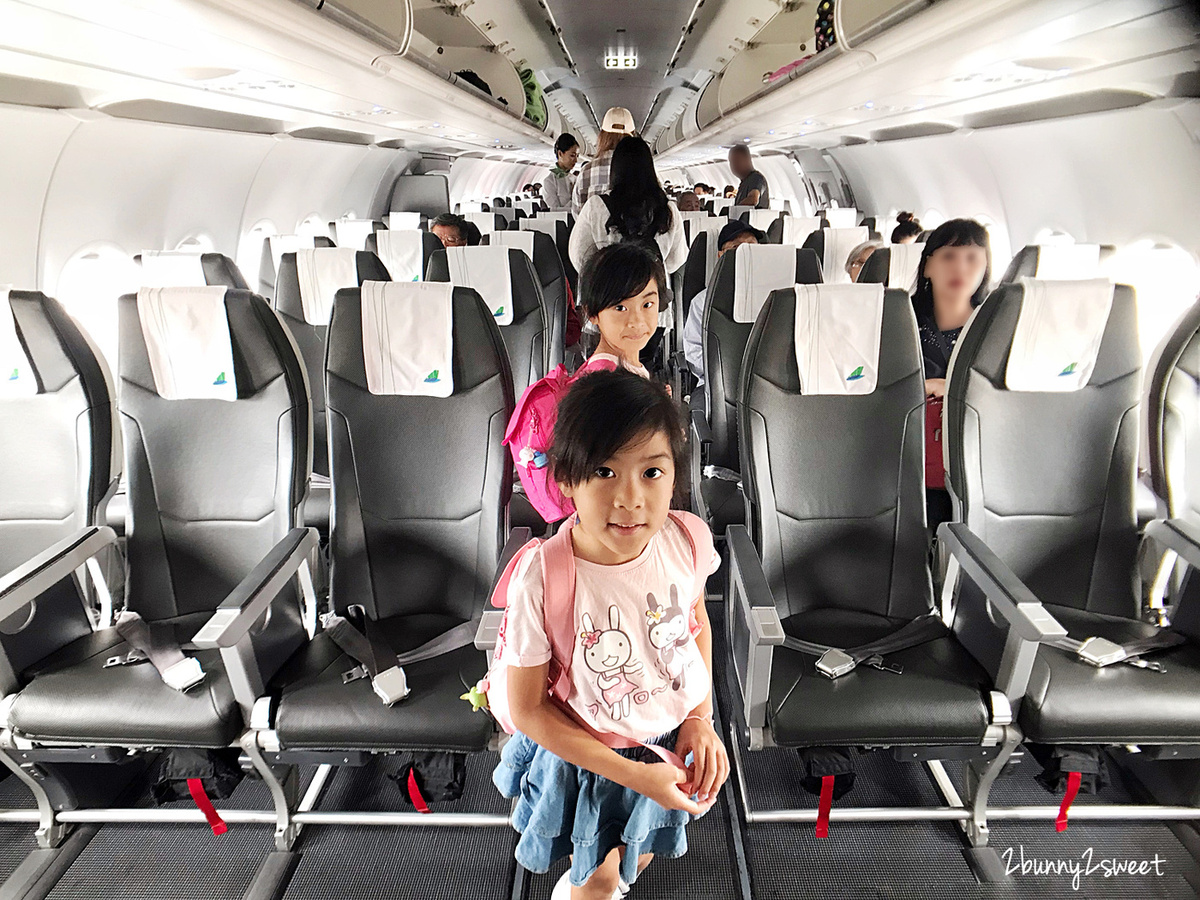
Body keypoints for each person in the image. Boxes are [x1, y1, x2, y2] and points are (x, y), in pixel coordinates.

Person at [494, 367, 728, 900]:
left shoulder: (686, 540)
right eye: (604, 471)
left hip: (664, 741)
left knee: (639, 847)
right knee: (594, 882)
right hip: (591, 755)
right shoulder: (544, 577)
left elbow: (694, 627)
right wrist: (632, 774)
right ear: (566, 479)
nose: (630, 498)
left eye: (651, 472)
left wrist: (698, 718)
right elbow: (528, 709)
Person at [912, 218, 991, 532]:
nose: (961, 268)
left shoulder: (995, 326)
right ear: (928, 265)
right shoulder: (899, 320)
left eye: (973, 258)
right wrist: (922, 386)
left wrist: (956, 390)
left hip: (978, 455)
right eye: (949, 256)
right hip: (913, 456)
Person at [569, 137, 687, 276]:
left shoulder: (596, 205)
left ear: (615, 168)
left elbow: (579, 257)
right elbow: (676, 261)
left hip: (607, 290)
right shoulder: (668, 209)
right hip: (652, 292)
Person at [682, 221, 765, 386]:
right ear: (721, 255)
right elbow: (694, 351)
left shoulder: (777, 297)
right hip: (715, 383)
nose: (747, 254)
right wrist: (727, 373)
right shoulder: (703, 301)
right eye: (737, 248)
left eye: (752, 247)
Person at [577, 242, 665, 379]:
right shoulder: (608, 384)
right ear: (592, 314)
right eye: (620, 308)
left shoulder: (621, 370)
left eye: (647, 304)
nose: (637, 322)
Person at [572, 107, 636, 215]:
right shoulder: (643, 168)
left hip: (594, 231)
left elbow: (577, 215)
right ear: (633, 135)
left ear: (602, 135)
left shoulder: (586, 171)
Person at [543, 133, 580, 211]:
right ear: (560, 154)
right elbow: (554, 211)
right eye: (572, 155)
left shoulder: (575, 179)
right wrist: (574, 196)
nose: (576, 160)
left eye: (577, 156)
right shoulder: (549, 181)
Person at [728, 145, 770, 209]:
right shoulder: (744, 181)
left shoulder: (756, 178)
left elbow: (753, 199)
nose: (734, 165)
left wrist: (734, 211)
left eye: (737, 161)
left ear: (748, 159)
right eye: (731, 162)